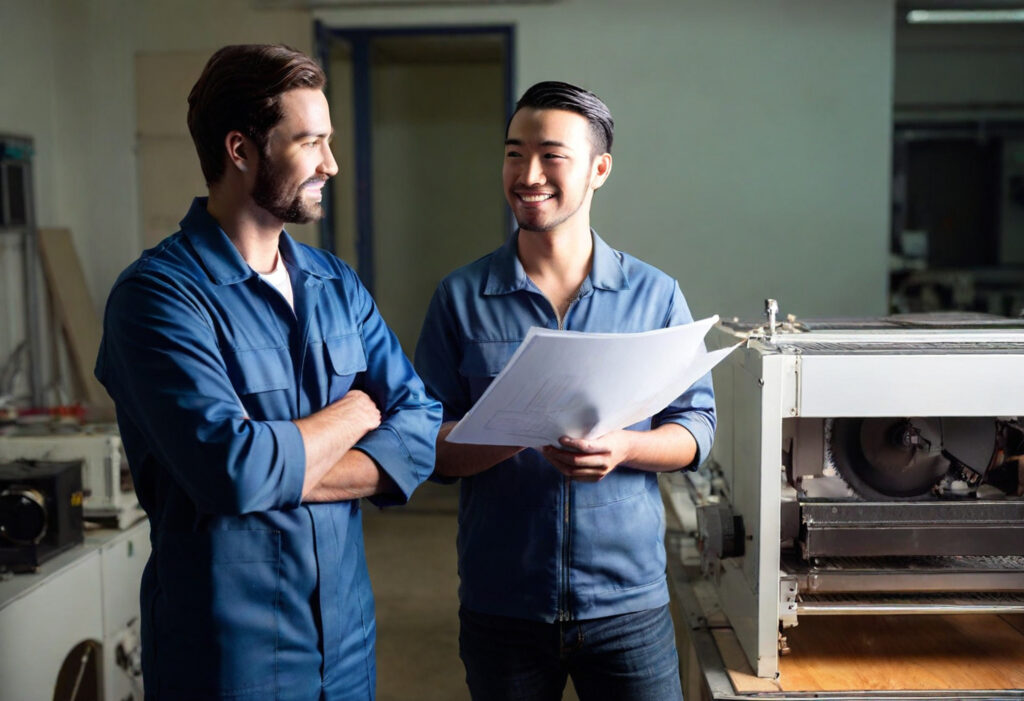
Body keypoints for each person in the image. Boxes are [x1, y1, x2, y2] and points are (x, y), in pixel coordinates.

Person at [95, 44, 441, 700]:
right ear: (240, 150)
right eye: (310, 141)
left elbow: (420, 429)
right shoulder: (157, 298)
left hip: (346, 649)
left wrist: (281, 472)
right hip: (229, 660)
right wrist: (356, 413)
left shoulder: (335, 284)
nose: (332, 164)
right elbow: (234, 471)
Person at [414, 81, 716, 701]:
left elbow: (696, 427)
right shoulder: (461, 298)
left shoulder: (653, 295)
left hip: (628, 606)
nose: (528, 174)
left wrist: (625, 450)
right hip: (504, 606)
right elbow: (424, 446)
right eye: (513, 153)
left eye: (552, 155)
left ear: (599, 169)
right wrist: (511, 431)